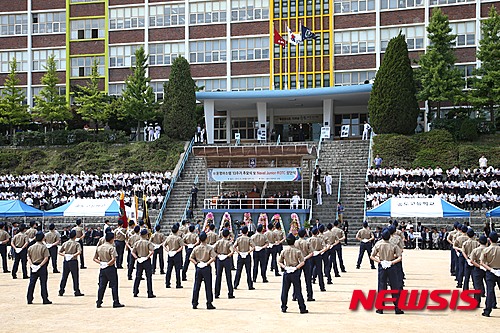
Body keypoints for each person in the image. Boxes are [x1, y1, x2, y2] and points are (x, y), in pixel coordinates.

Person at [370, 229, 404, 315]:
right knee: (394, 287)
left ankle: (380, 308)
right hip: (391, 266)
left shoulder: (378, 244)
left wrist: (380, 262)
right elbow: (400, 257)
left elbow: (372, 256)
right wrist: (392, 262)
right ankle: (397, 308)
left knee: (381, 286)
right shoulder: (393, 245)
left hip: (382, 266)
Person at [278, 233, 308, 314]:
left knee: (285, 290)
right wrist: (296, 267)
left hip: (287, 271)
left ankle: (283, 307)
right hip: (295, 271)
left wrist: (284, 267)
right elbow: (302, 262)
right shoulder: (298, 251)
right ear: (294, 241)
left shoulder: (284, 251)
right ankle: (302, 308)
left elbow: (279, 261)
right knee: (298, 290)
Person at [94, 232, 124, 308]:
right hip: (110, 268)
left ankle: (99, 301)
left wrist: (101, 263)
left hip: (102, 268)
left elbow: (94, 258)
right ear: (112, 239)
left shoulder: (99, 247)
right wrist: (108, 264)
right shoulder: (111, 248)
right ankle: (115, 301)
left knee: (102, 286)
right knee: (114, 285)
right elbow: (114, 259)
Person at [189, 232, 216, 310]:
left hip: (198, 267)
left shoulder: (196, 248)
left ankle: (194, 303)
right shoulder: (209, 248)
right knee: (208, 285)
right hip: (206, 267)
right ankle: (209, 303)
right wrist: (207, 263)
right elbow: (213, 257)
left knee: (196, 285)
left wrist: (196, 263)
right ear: (206, 239)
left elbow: (191, 258)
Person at [27, 232, 51, 305]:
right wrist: (40, 266)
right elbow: (46, 258)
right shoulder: (44, 247)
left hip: (33, 265)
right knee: (43, 283)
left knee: (32, 283)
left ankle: (29, 298)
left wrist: (31, 265)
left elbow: (28, 257)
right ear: (43, 238)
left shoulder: (31, 247)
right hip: (41, 266)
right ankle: (44, 298)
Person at [58, 230, 84, 297]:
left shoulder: (65, 243)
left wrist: (65, 255)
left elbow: (60, 252)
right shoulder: (76, 244)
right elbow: (79, 252)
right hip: (73, 261)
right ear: (75, 236)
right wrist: (73, 255)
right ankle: (76, 291)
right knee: (75, 276)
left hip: (66, 260)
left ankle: (61, 290)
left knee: (64, 276)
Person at [480, 231, 500, 317]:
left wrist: (491, 270)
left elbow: (482, 262)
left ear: (489, 240)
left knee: (490, 291)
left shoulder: (486, 250)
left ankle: (487, 310)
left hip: (491, 272)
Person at [132, 229, 155, 298]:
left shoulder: (137, 243)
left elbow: (132, 252)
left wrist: (136, 258)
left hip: (139, 260)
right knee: (148, 277)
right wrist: (147, 256)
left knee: (138, 276)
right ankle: (149, 292)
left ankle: (135, 291)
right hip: (146, 260)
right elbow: (152, 251)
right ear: (146, 235)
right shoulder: (148, 243)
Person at [214, 229, 235, 299]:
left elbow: (213, 250)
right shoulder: (229, 243)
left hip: (219, 259)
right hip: (226, 259)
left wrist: (217, 255)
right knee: (228, 276)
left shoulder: (218, 242)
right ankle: (230, 293)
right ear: (228, 235)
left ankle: (216, 293)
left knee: (218, 276)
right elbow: (232, 251)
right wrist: (227, 255)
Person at [295, 228, 314, 301]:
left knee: (296, 279)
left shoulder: (295, 242)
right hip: (306, 261)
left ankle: (295, 295)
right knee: (308, 279)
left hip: (298, 262)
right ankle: (309, 296)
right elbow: (311, 253)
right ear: (305, 234)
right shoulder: (307, 242)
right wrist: (305, 258)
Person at [233, 226, 255, 290]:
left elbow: (234, 247)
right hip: (247, 255)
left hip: (240, 255)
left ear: (241, 232)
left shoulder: (238, 239)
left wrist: (238, 252)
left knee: (238, 271)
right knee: (248, 271)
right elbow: (253, 247)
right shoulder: (249, 239)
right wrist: (248, 252)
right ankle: (250, 285)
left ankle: (235, 284)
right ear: (247, 232)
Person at [470, 235, 488, 307]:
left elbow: (472, 261)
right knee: (490, 287)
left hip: (478, 269)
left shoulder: (475, 250)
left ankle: (477, 302)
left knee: (477, 286)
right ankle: (492, 303)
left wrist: (479, 266)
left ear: (479, 242)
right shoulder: (488, 249)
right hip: (488, 268)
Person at [165, 224, 184, 289]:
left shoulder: (168, 237)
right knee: (177, 270)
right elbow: (181, 246)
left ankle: (167, 283)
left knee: (169, 269)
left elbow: (164, 245)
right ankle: (178, 283)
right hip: (177, 254)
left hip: (170, 254)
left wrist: (168, 251)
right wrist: (176, 251)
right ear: (177, 230)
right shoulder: (179, 238)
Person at [308, 227, 327, 292]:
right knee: (319, 272)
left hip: (311, 256)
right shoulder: (320, 239)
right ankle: (322, 287)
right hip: (318, 256)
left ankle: (309, 285)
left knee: (309, 272)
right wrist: (319, 252)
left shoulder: (309, 240)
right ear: (317, 232)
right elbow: (325, 247)